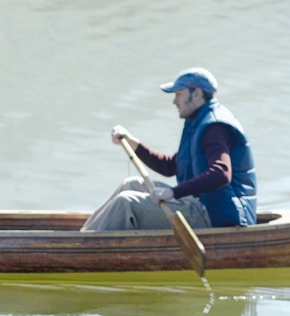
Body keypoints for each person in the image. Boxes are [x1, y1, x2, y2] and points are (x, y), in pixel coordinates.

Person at [81, 67, 256, 232]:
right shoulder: (197, 122)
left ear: (197, 94)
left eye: (179, 94)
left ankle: (85, 251)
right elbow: (170, 166)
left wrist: (173, 192)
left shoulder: (215, 127)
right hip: (200, 203)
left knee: (126, 203)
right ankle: (82, 237)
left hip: (218, 214)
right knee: (131, 184)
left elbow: (221, 173)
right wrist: (132, 143)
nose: (174, 101)